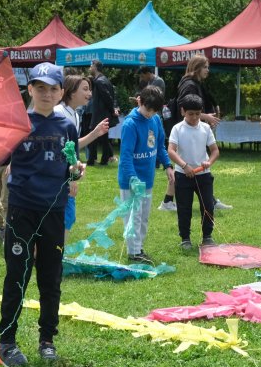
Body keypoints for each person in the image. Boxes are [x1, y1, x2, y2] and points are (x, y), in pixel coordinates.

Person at [0, 63, 82, 367]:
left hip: (54, 211)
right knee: (17, 275)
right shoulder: (17, 124)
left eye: (53, 89)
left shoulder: (67, 126)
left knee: (50, 276)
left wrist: (76, 172)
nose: (47, 94)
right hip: (22, 209)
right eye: (40, 88)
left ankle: (47, 339)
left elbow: (70, 165)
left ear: (61, 92)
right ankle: (7, 343)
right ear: (30, 89)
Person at [118, 86, 175, 264]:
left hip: (147, 178)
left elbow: (160, 145)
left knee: (143, 217)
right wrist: (133, 179)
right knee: (133, 216)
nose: (150, 114)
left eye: (154, 111)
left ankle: (139, 248)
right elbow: (125, 157)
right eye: (147, 110)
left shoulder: (155, 120)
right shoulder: (130, 124)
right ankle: (133, 252)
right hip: (131, 180)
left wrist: (168, 165)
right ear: (139, 101)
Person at [54, 74, 109, 241]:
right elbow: (57, 148)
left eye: (89, 89)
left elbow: (72, 145)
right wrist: (69, 177)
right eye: (85, 89)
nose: (89, 93)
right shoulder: (59, 113)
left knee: (67, 217)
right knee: (62, 218)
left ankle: (56, 252)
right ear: (71, 92)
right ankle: (53, 253)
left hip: (67, 175)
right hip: (57, 178)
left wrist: (95, 133)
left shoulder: (75, 115)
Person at [176, 55, 232, 210]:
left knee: (187, 166)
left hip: (192, 128)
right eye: (205, 67)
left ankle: (169, 200)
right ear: (197, 68)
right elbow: (184, 108)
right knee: (188, 165)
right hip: (187, 129)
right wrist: (205, 116)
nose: (208, 70)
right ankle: (209, 200)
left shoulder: (194, 83)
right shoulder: (189, 84)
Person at [167, 94, 219, 250]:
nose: (195, 117)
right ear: (183, 111)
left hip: (203, 175)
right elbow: (171, 150)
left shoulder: (205, 128)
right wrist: (184, 166)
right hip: (183, 175)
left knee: (208, 206)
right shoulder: (177, 128)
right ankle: (185, 238)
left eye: (197, 114)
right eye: (191, 114)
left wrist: (208, 162)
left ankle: (207, 236)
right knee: (184, 208)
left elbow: (215, 151)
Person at [87, 59, 117, 165]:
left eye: (91, 66)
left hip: (100, 114)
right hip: (103, 113)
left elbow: (107, 97)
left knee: (93, 136)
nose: (89, 68)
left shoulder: (100, 81)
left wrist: (112, 110)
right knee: (104, 138)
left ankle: (92, 160)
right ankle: (103, 160)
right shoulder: (104, 80)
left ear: (95, 67)